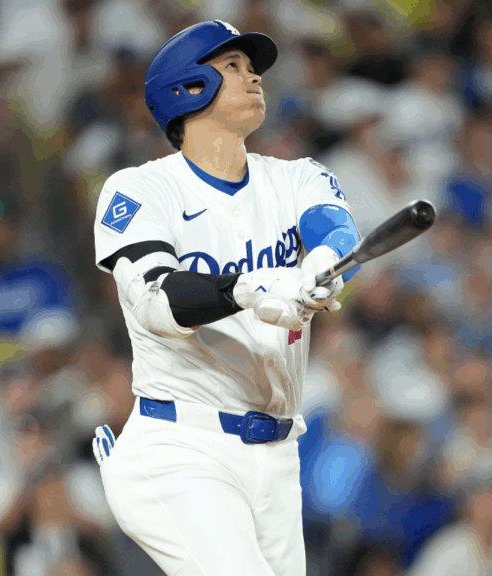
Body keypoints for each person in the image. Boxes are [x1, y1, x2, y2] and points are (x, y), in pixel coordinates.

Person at [90, 20, 362, 576]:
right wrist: (248, 288)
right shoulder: (140, 188)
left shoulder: (296, 177)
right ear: (186, 88)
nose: (254, 74)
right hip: (182, 448)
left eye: (251, 65)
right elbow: (157, 300)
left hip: (278, 456)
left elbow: (335, 229)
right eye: (233, 66)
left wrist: (317, 268)